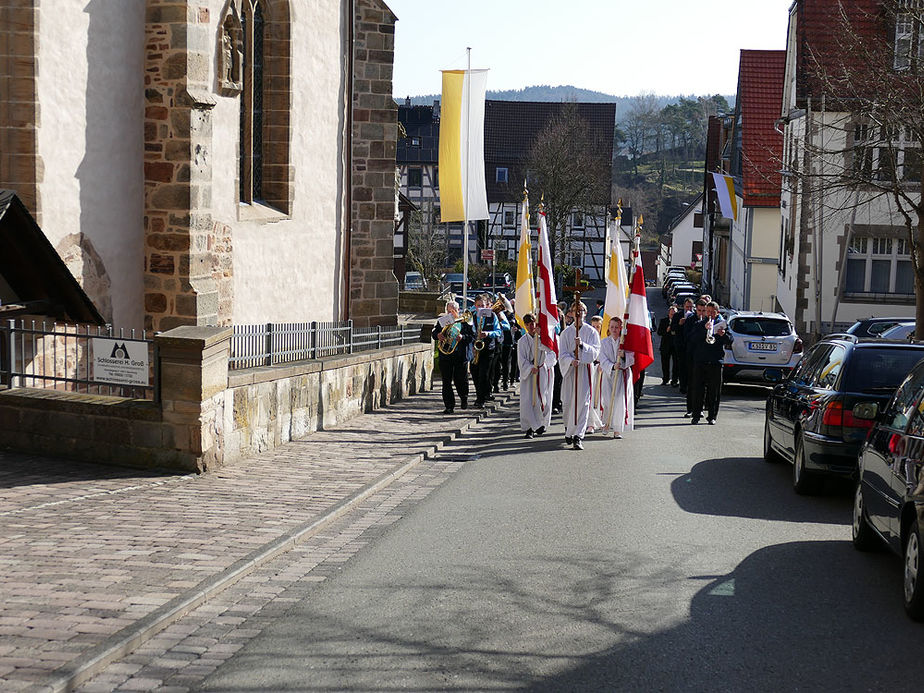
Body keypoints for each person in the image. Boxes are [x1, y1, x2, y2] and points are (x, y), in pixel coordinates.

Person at [559, 299, 601, 450]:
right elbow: (562, 354)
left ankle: (578, 436)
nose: (578, 314)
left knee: (583, 403)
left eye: (581, 311)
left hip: (585, 371)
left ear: (585, 313)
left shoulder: (591, 332)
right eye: (575, 312)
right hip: (571, 372)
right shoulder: (565, 333)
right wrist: (570, 361)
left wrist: (583, 345)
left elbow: (596, 352)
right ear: (571, 313)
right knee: (569, 403)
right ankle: (569, 430)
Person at [688, 301, 733, 424]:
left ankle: (712, 416)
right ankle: (696, 415)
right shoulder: (700, 324)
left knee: (714, 391)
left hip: (715, 361)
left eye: (712, 312)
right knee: (698, 389)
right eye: (708, 312)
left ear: (717, 312)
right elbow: (692, 338)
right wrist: (704, 329)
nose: (710, 314)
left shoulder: (722, 325)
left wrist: (723, 335)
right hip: (700, 361)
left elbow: (730, 339)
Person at [517, 313, 557, 438]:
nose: (531, 326)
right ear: (525, 325)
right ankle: (529, 427)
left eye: (532, 323)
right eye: (528, 324)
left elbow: (551, 353)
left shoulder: (543, 338)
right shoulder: (522, 341)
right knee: (528, 400)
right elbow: (521, 359)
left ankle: (541, 424)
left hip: (542, 372)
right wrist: (529, 368)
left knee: (543, 398)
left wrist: (540, 339)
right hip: (529, 375)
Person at [432, 300, 474, 414]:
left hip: (460, 355)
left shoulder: (465, 322)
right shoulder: (442, 321)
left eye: (453, 311)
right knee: (446, 382)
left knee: (460, 380)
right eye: (448, 311)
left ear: (458, 310)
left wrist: (463, 337)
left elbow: (472, 336)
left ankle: (463, 397)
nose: (451, 313)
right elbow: (434, 333)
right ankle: (449, 406)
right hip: (446, 356)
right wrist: (438, 335)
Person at [599, 316, 634, 438]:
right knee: (608, 400)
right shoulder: (604, 342)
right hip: (609, 374)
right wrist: (612, 366)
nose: (614, 329)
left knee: (619, 400)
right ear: (608, 327)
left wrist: (624, 356)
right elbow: (602, 359)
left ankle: (617, 429)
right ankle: (607, 423)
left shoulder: (624, 342)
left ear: (620, 328)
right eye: (612, 327)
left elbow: (632, 358)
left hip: (621, 376)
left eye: (616, 327)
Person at [470, 294, 502, 408]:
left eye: (483, 305)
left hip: (488, 349)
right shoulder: (471, 316)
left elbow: (498, 332)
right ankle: (480, 394)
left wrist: (487, 334)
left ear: (486, 306)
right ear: (475, 306)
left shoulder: (492, 316)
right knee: (475, 373)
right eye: (478, 306)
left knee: (484, 374)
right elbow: (469, 331)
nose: (481, 308)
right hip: (475, 349)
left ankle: (480, 399)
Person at [682, 299, 707, 416]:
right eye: (699, 310)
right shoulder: (690, 320)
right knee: (691, 383)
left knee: (702, 383)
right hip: (692, 355)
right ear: (695, 309)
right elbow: (686, 336)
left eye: (703, 311)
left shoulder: (709, 321)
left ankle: (700, 408)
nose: (701, 313)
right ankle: (690, 409)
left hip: (704, 356)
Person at [587, 315, 605, 433]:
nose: (596, 329)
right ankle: (591, 423)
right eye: (593, 326)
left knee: (601, 397)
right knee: (591, 396)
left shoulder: (604, 339)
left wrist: (602, 364)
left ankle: (602, 420)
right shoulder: (589, 338)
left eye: (598, 326)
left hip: (602, 369)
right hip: (591, 368)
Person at [657, 305, 676, 386]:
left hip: (675, 346)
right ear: (669, 313)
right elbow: (659, 332)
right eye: (671, 314)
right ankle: (665, 378)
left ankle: (674, 380)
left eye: (674, 314)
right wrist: (666, 330)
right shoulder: (663, 321)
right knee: (665, 363)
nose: (672, 315)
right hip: (665, 345)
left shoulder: (678, 321)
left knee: (676, 364)